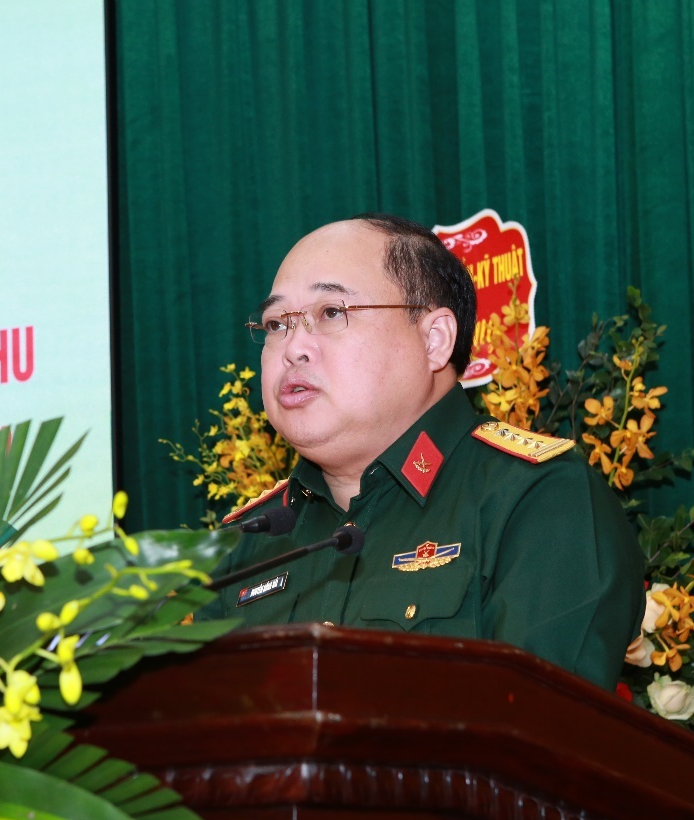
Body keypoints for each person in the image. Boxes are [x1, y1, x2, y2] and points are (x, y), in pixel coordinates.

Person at [199, 213, 644, 688]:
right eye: (276, 324)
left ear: (434, 340)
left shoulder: (539, 499)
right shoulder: (244, 545)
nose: (293, 348)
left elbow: (538, 725)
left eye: (330, 313)